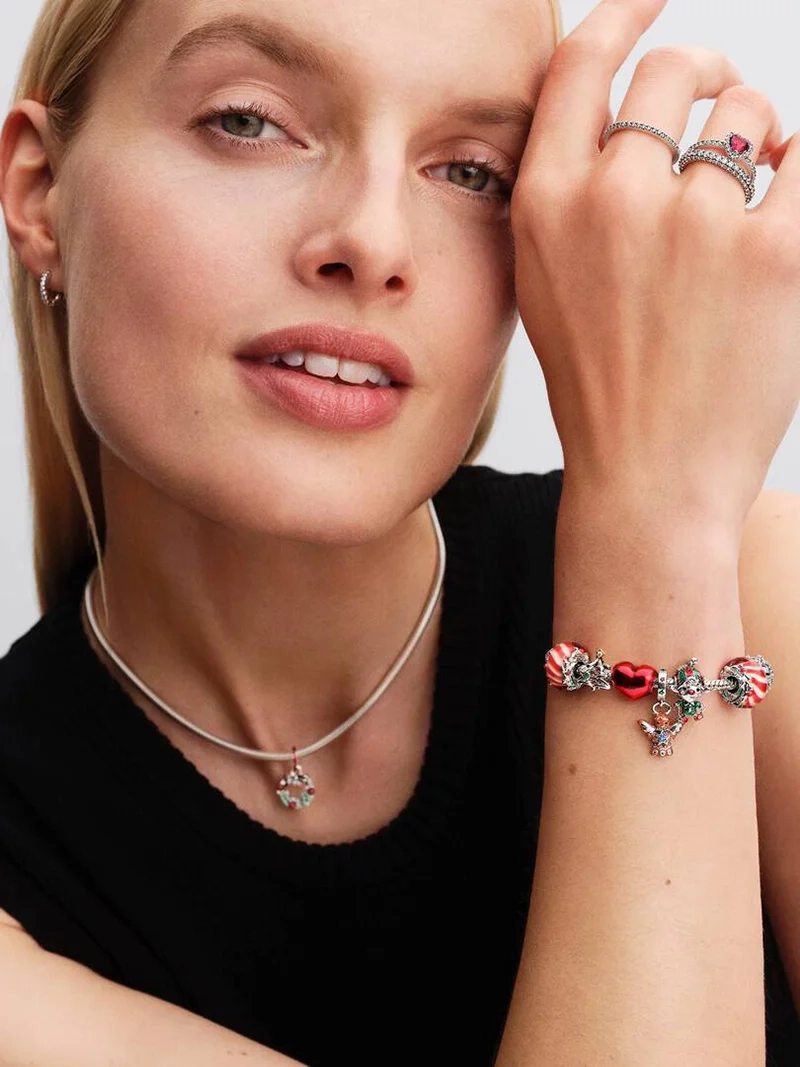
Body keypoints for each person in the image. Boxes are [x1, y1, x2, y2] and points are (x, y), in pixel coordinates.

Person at [0, 0, 798, 1062]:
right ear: (40, 191)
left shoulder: (757, 591)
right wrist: (657, 520)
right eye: (247, 121)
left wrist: (667, 517)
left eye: (472, 170)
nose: (373, 243)